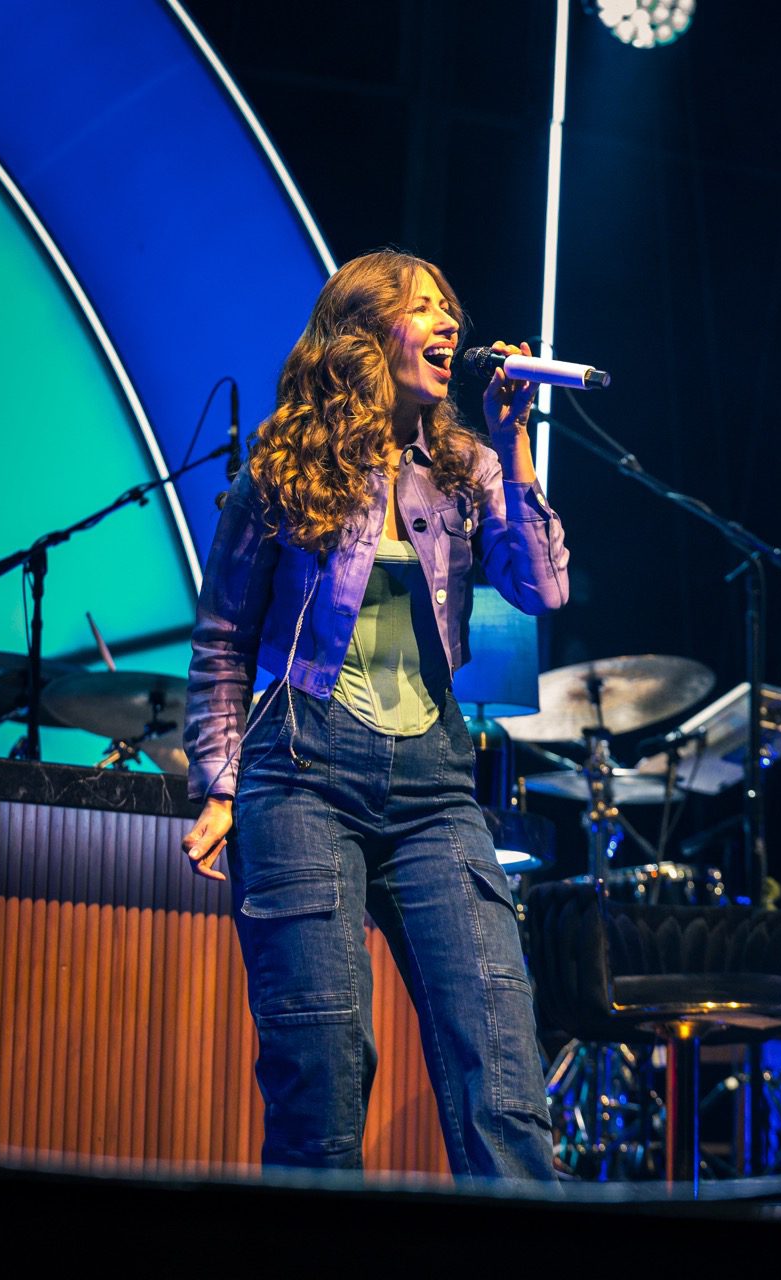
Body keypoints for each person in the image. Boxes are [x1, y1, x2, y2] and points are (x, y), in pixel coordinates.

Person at [181, 249, 569, 1180]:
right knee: (321, 1073)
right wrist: (221, 782)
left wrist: (515, 444)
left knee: (504, 1076)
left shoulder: (468, 465)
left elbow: (543, 586)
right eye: (424, 308)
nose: (450, 327)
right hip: (302, 774)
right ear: (365, 329)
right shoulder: (285, 462)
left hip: (436, 786)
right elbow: (223, 636)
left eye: (451, 310)